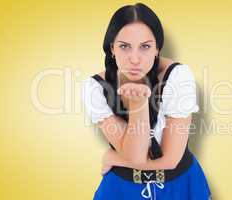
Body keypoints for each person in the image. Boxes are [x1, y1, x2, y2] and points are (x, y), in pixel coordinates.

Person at [81, 3, 212, 199]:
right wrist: (138, 105)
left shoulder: (177, 76)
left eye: (145, 47)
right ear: (112, 48)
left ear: (157, 48)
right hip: (122, 189)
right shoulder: (96, 87)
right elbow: (135, 155)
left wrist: (113, 157)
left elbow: (170, 160)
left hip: (181, 186)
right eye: (124, 46)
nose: (135, 59)